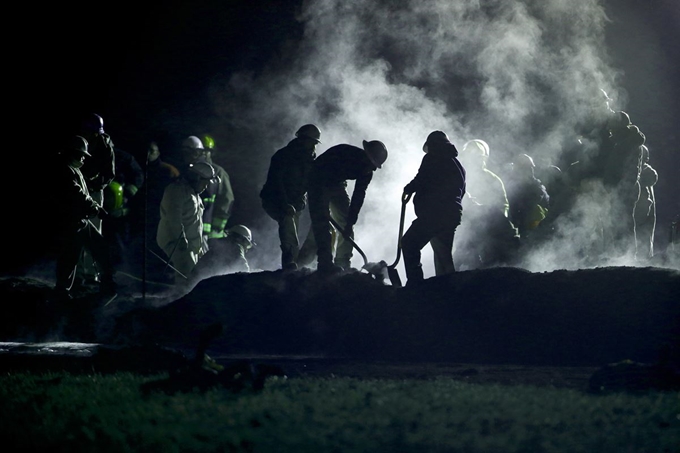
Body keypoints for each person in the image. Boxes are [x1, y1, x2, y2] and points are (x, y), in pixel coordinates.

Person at [308, 140, 388, 273]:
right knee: (321, 222)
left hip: (336, 183)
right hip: (317, 180)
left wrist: (350, 222)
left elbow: (358, 196)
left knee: (345, 221)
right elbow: (319, 175)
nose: (373, 169)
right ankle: (325, 263)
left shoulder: (366, 171)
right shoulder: (345, 154)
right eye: (372, 164)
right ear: (366, 156)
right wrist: (321, 205)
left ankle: (343, 262)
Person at [53, 136, 117, 300]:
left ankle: (106, 285)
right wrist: (96, 208)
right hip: (71, 222)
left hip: (79, 221)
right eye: (81, 155)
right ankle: (62, 292)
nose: (83, 158)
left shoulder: (73, 169)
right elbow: (77, 194)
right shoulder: (66, 170)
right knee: (71, 255)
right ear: (72, 153)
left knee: (89, 250)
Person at [401, 131, 466, 286]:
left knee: (409, 243)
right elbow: (461, 191)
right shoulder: (458, 166)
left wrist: (409, 188)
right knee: (443, 256)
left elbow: (422, 178)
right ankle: (447, 291)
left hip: (434, 215)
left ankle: (416, 287)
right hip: (451, 215)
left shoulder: (432, 157)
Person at [260, 124, 321, 270]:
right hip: (274, 200)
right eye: (311, 141)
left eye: (314, 142)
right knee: (287, 222)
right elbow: (276, 183)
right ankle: (289, 263)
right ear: (301, 139)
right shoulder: (283, 156)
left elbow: (311, 185)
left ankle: (300, 263)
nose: (313, 145)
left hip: (295, 203)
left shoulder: (311, 161)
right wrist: (285, 204)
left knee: (300, 228)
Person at [454, 139, 519, 269]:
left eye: (476, 157)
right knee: (458, 260)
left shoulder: (492, 179)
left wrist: (487, 215)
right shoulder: (460, 177)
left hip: (489, 231)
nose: (472, 161)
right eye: (470, 157)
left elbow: (502, 206)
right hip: (465, 228)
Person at [156, 161, 216, 285]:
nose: (206, 186)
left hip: (191, 247)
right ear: (196, 178)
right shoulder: (176, 191)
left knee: (195, 280)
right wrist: (182, 242)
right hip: (177, 245)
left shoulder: (194, 194)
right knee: (185, 282)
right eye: (205, 182)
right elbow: (173, 219)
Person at [77, 113, 116, 284]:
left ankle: (91, 273)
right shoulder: (78, 141)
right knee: (76, 230)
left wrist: (93, 184)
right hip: (76, 190)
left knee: (93, 232)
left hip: (93, 191)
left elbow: (109, 174)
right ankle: (76, 273)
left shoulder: (105, 146)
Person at [180, 136, 235, 248]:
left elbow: (226, 200)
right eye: (202, 150)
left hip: (209, 231)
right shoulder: (190, 169)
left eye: (206, 150)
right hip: (191, 227)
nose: (204, 153)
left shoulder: (218, 172)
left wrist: (216, 227)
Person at [504, 153, 550, 242]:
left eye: (530, 168)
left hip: (533, 230)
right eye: (527, 168)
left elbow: (546, 205)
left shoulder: (537, 187)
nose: (530, 170)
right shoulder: (511, 187)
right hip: (517, 230)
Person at [190, 224, 256, 283]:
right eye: (246, 244)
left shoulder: (221, 245)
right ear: (243, 240)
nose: (246, 249)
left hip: (195, 280)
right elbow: (242, 267)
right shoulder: (235, 247)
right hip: (205, 284)